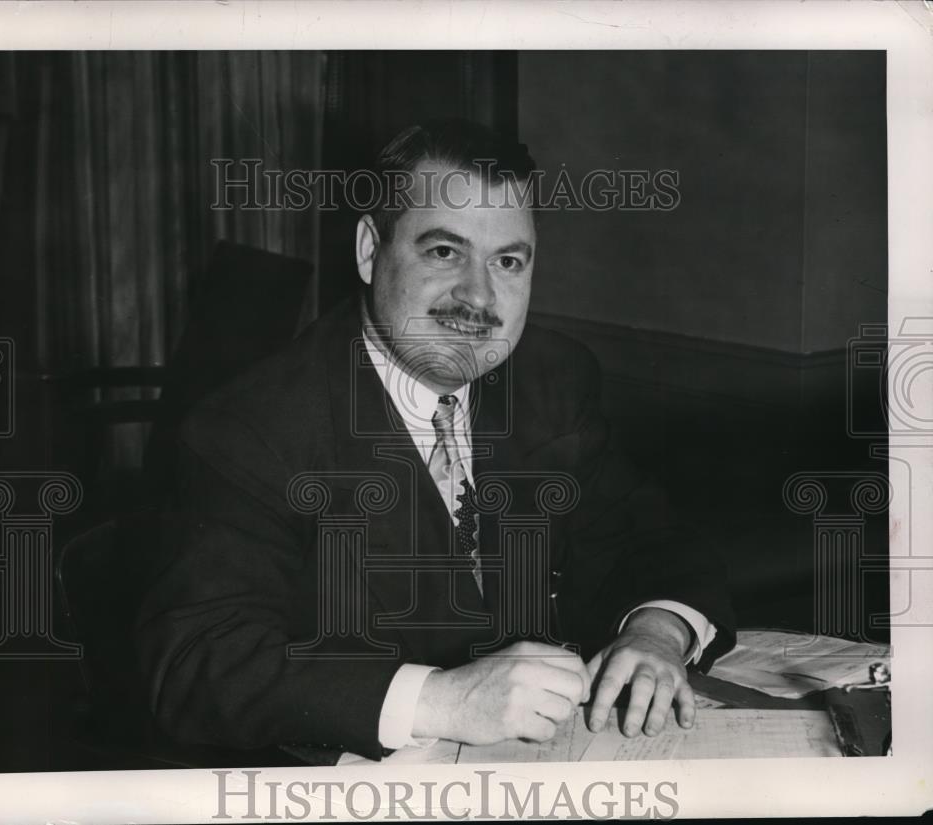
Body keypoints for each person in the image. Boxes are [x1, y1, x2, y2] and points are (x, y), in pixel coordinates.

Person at [136, 119, 736, 764]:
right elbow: (197, 664)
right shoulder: (251, 428)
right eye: (444, 252)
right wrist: (441, 701)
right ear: (370, 250)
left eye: (507, 261)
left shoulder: (552, 379)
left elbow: (649, 534)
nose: (478, 296)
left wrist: (658, 630)